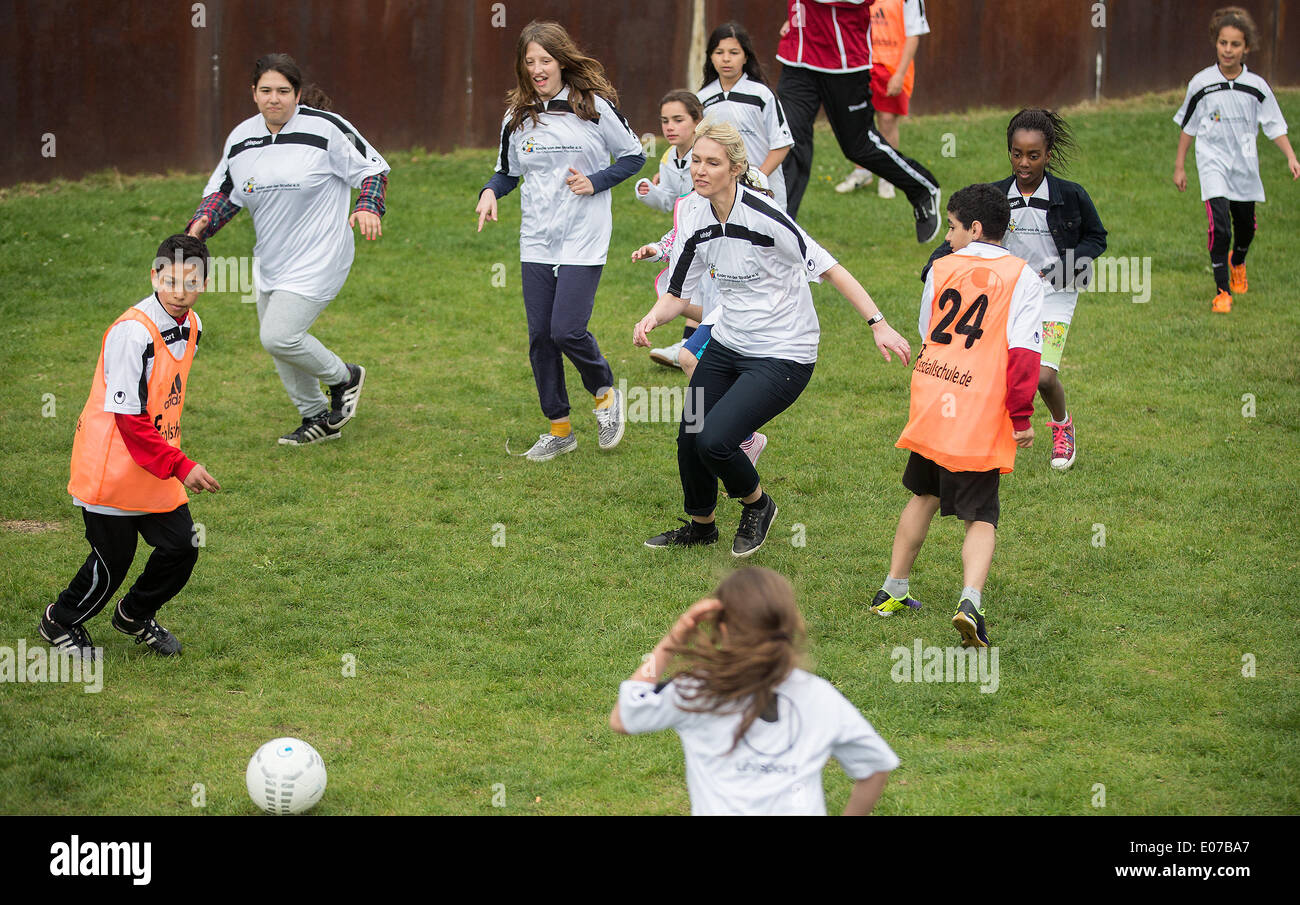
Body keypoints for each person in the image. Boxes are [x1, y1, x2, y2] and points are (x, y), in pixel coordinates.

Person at [634, 121, 910, 557]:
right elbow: (677, 293)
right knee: (691, 433)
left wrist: (878, 322)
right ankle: (702, 525)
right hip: (729, 340)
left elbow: (830, 267)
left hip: (784, 352)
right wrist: (653, 317)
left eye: (713, 163)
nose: (700, 171)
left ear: (736, 168)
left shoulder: (766, 216)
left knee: (716, 439)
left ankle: (758, 505)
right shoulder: (692, 214)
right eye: (697, 162)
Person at [870, 184, 1043, 650]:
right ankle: (970, 603)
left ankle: (892, 591)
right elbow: (1025, 356)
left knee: (923, 493)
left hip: (934, 397)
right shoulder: (1024, 277)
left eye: (952, 226)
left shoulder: (941, 268)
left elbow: (928, 329)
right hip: (978, 411)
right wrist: (1022, 417)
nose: (947, 236)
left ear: (976, 228)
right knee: (981, 515)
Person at [187, 53, 388, 446]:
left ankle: (344, 377)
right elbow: (227, 193)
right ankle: (316, 418)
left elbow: (373, 169)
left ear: (297, 94)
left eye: (283, 91)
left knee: (279, 336)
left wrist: (367, 206)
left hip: (320, 255)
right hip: (271, 260)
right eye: (266, 91)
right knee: (281, 343)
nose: (274, 99)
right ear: (254, 93)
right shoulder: (241, 138)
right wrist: (200, 226)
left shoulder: (327, 128)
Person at [40, 235, 222, 660]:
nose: (180, 291)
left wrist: (171, 460)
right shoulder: (130, 334)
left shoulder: (193, 326)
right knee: (113, 561)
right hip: (113, 465)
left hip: (155, 463)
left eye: (191, 282)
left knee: (182, 546)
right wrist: (181, 465)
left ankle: (133, 615)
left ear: (207, 284)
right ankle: (60, 620)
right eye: (171, 279)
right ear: (154, 275)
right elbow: (130, 421)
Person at [476, 20, 645, 462]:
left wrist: (595, 180)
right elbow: (507, 172)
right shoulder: (516, 116)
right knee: (540, 337)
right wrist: (490, 192)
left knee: (566, 329)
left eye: (545, 60)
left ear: (561, 61)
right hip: (536, 239)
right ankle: (559, 428)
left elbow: (633, 156)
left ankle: (605, 394)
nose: (537, 69)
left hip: (584, 236)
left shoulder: (591, 106)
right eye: (529, 62)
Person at [609, 566, 899, 816]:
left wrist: (674, 639)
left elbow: (624, 716)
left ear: (721, 630)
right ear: (791, 626)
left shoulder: (698, 691)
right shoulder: (820, 696)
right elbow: (875, 767)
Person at [922, 111, 1106, 471]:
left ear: (1048, 154)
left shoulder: (1071, 195)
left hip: (1055, 294)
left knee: (1042, 375)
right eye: (1016, 154)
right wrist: (935, 266)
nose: (1024, 163)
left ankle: (1062, 426)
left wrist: (1063, 269)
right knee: (994, 367)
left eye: (1033, 155)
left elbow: (1096, 237)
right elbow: (964, 232)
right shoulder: (995, 197)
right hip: (1005, 293)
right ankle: (984, 430)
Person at [775, 0, 941, 238]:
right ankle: (780, 229)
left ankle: (922, 188)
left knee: (858, 146)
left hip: (844, 64)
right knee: (789, 142)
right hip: (797, 60)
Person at [1173, 5, 1298, 313]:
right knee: (1220, 228)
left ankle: (1238, 262)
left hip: (1245, 165)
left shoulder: (1257, 87)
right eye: (1223, 43)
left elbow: (1273, 124)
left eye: (1235, 44)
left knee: (1245, 228)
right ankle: (1222, 291)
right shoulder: (1200, 84)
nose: (1228, 50)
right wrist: (1180, 166)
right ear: (1216, 43)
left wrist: (1291, 156)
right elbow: (1188, 127)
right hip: (1211, 161)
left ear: (1247, 48)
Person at [636, 90, 705, 368]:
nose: (670, 127)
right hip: (688, 236)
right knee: (692, 291)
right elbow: (669, 203)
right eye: (665, 121)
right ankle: (693, 346)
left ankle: (694, 346)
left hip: (713, 237)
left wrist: (662, 248)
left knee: (697, 292)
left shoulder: (707, 152)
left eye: (678, 119)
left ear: (697, 120)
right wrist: (648, 192)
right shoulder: (667, 157)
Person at [835, 0, 931, 200]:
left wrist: (900, 74)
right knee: (858, 119)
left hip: (892, 67)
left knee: (887, 120)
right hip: (862, 62)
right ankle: (861, 172)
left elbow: (914, 36)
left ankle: (888, 178)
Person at [697, 22, 795, 210]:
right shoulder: (702, 98)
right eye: (719, 52)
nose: (726, 59)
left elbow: (781, 144)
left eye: (734, 53)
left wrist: (757, 179)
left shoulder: (762, 95)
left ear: (745, 57)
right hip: (719, 192)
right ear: (710, 57)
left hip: (763, 191)